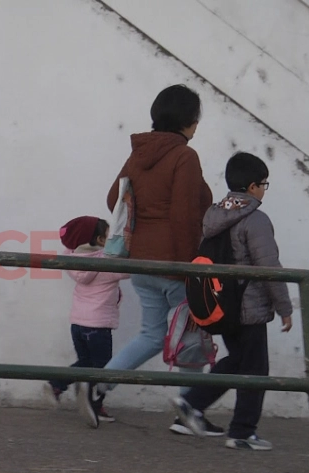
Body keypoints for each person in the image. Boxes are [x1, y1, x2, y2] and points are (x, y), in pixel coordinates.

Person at [78, 84, 215, 432]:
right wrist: (190, 267)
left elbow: (115, 199)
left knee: (152, 335)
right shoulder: (185, 155)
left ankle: (99, 385)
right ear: (186, 119)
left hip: (140, 262)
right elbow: (185, 215)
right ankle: (189, 411)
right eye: (195, 118)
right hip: (174, 263)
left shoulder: (138, 154)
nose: (197, 126)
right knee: (190, 337)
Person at [171, 152, 292, 451]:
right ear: (252, 187)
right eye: (263, 184)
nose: (264, 190)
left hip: (221, 305)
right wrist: (284, 308)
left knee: (238, 362)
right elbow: (268, 267)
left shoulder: (213, 215)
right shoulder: (256, 219)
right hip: (249, 309)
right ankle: (241, 432)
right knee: (256, 371)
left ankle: (191, 405)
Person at [47, 216, 129, 425]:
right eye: (110, 236)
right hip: (98, 326)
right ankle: (94, 404)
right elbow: (130, 270)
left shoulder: (71, 258)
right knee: (102, 369)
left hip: (78, 324)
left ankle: (57, 384)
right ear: (101, 240)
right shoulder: (107, 263)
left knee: (85, 362)